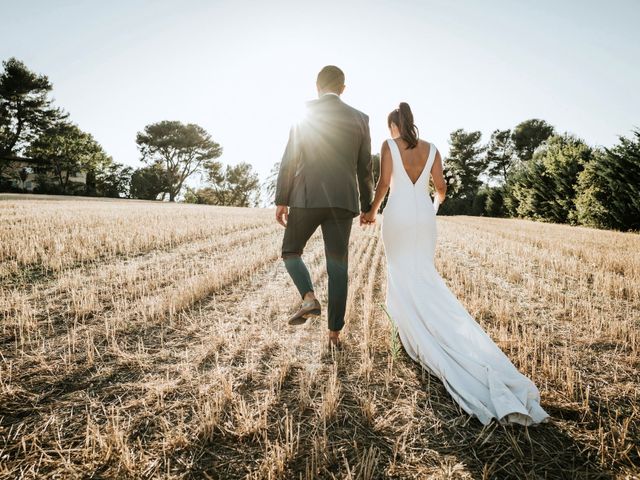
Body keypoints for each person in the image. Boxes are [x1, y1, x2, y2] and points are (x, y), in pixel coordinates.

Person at [361, 102, 549, 425]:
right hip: (424, 220)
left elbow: (383, 184)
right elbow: (442, 188)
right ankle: (435, 331)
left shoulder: (388, 145)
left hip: (398, 218)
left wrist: (371, 211)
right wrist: (434, 201)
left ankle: (414, 335)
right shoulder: (433, 149)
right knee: (424, 276)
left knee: (402, 275)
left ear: (394, 126)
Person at [274, 65, 374, 350]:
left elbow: (289, 158)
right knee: (338, 267)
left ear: (316, 87)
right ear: (343, 88)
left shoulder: (304, 112)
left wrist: (282, 198)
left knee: (291, 251)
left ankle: (308, 298)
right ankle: (334, 335)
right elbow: (364, 167)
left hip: (306, 196)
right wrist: (368, 206)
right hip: (343, 201)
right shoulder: (360, 119)